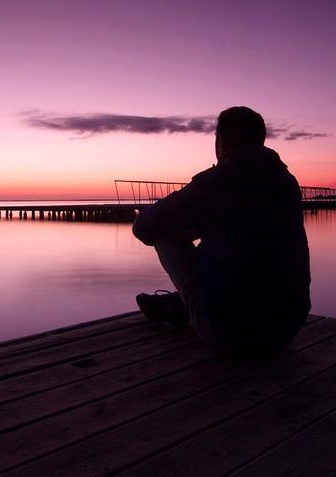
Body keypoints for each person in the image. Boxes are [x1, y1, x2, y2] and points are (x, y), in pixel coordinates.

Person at [132, 106, 310, 358]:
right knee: (235, 235)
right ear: (261, 140)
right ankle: (181, 305)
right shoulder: (286, 183)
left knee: (164, 233)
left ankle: (188, 306)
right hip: (287, 328)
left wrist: (179, 222)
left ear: (220, 141)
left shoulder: (216, 182)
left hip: (232, 336)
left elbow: (143, 228)